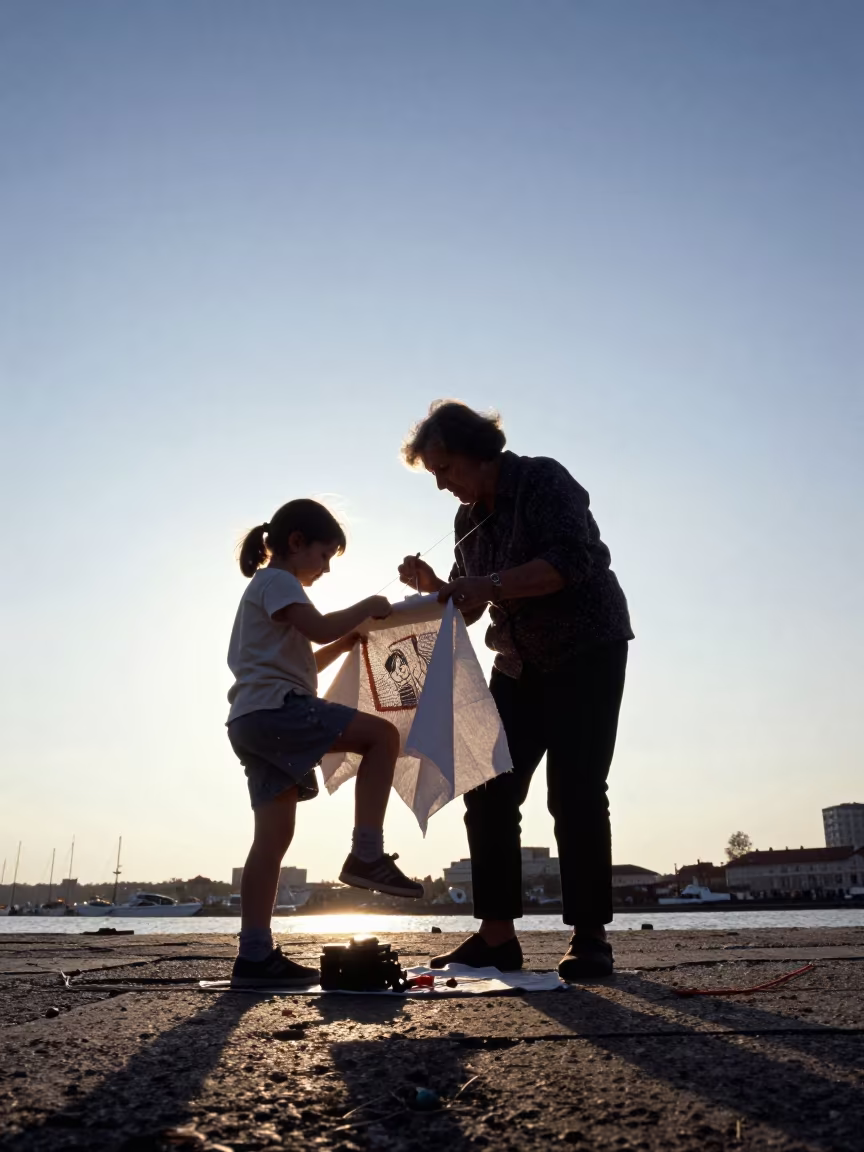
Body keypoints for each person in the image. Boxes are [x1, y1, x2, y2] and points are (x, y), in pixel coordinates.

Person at [398, 402, 633, 980]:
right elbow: (474, 608)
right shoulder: (466, 520)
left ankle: (589, 937)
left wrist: (481, 584)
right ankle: (497, 936)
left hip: (587, 648)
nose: (442, 483)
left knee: (576, 791)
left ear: (479, 452)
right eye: (434, 474)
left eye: (445, 468)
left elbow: (565, 564)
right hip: (517, 662)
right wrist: (441, 590)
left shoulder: (543, 479)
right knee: (489, 786)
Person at [227, 498, 424, 989]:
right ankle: (366, 853)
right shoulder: (279, 580)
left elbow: (304, 664)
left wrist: (344, 643)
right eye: (325, 554)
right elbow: (316, 627)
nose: (327, 568)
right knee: (383, 735)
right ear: (297, 543)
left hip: (251, 719)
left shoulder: (268, 591)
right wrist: (366, 610)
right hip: (278, 711)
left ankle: (254, 956)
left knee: (271, 841)